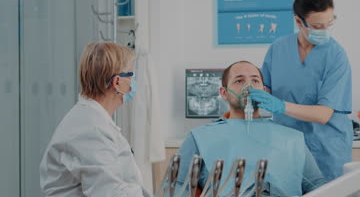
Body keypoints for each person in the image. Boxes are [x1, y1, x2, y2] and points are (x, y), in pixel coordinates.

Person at [249, 0, 353, 181]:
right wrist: (251, 98)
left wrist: (279, 106)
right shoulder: (278, 48)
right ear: (298, 22)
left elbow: (323, 114)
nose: (324, 31)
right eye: (317, 26)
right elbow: (266, 89)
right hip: (286, 146)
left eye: (329, 24)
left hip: (327, 149)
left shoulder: (336, 56)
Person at [175, 61, 326, 196]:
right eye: (239, 80)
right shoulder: (200, 137)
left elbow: (317, 185)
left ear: (264, 91)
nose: (249, 86)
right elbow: (177, 184)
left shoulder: (292, 138)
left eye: (255, 80)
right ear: (224, 93)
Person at [39, 42, 150, 196]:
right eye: (131, 74)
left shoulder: (92, 120)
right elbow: (109, 193)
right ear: (117, 82)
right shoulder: (91, 129)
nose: (133, 81)